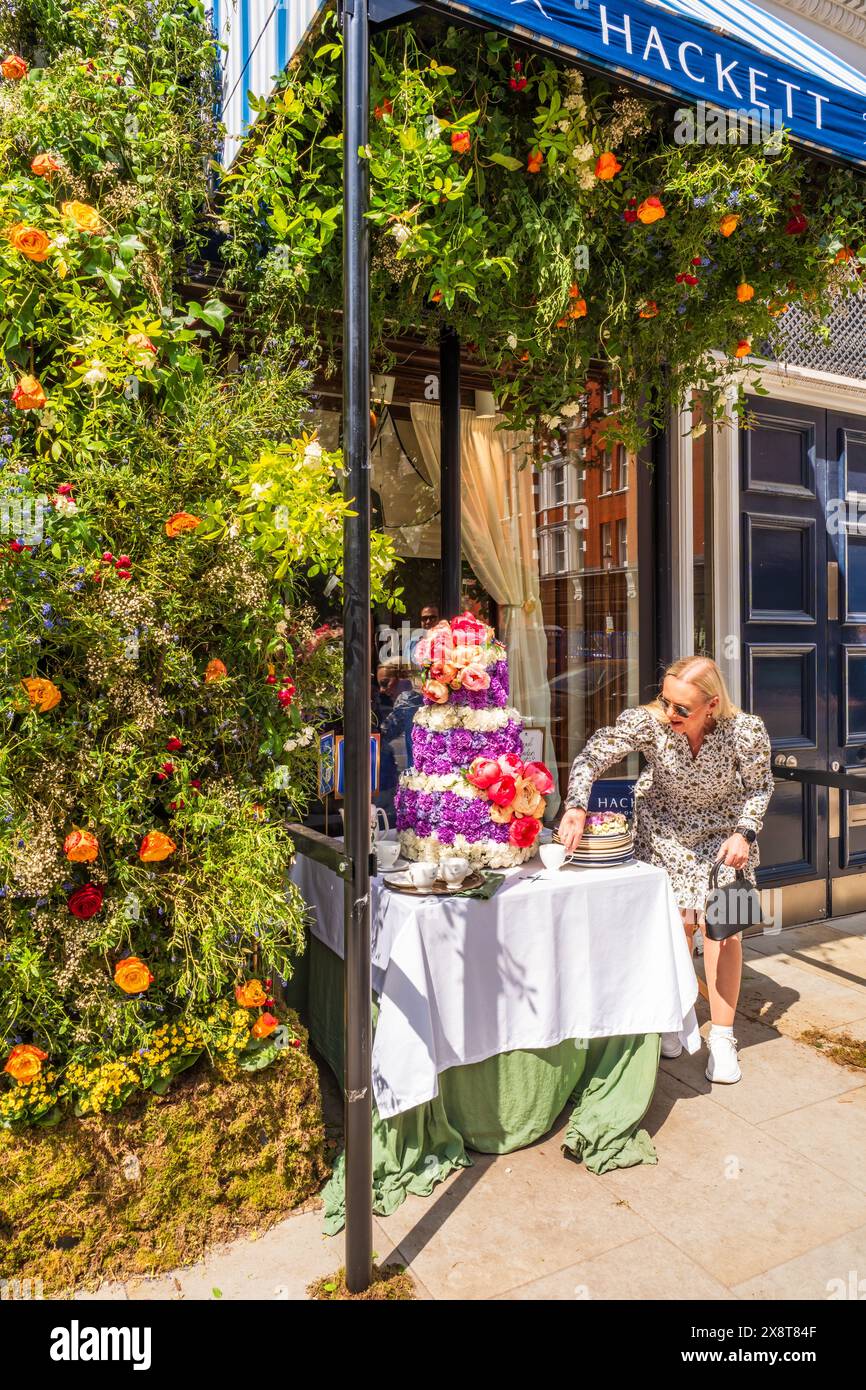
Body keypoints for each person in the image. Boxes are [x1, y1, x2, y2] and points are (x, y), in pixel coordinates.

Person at [558, 656, 774, 1085]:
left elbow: (760, 786)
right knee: (677, 928)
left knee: (723, 930)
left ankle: (724, 1037)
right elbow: (592, 756)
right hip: (664, 832)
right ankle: (675, 1017)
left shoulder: (745, 731)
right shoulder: (651, 722)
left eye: (682, 709)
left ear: (711, 705)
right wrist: (576, 805)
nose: (670, 713)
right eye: (665, 701)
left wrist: (745, 835)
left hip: (724, 837)